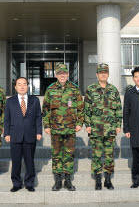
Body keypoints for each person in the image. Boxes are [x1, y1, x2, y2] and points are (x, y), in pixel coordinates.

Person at [42, 63, 84, 191]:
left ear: (68, 74)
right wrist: (46, 125)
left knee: (69, 154)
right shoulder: (50, 89)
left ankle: (68, 180)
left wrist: (79, 123)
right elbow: (45, 109)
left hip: (70, 128)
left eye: (64, 73)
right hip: (55, 128)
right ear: (56, 75)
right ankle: (58, 180)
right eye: (60, 74)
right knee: (56, 155)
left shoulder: (74, 89)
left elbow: (81, 108)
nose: (62, 76)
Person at [84, 63, 122, 190]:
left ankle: (108, 180)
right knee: (96, 155)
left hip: (110, 129)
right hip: (95, 129)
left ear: (108, 74)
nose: (103, 74)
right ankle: (98, 180)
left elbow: (118, 109)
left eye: (105, 72)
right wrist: (87, 125)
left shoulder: (114, 90)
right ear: (97, 75)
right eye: (101, 72)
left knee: (109, 155)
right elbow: (87, 109)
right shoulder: (91, 89)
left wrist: (118, 125)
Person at [4, 77, 42, 192]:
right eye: (19, 84)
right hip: (15, 135)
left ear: (28, 86)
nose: (22, 86)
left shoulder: (35, 100)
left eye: (24, 84)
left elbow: (38, 117)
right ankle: (16, 183)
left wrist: (39, 131)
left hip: (30, 135)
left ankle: (29, 183)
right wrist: (6, 133)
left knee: (29, 161)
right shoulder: (10, 101)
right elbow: (7, 119)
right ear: (15, 87)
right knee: (16, 161)